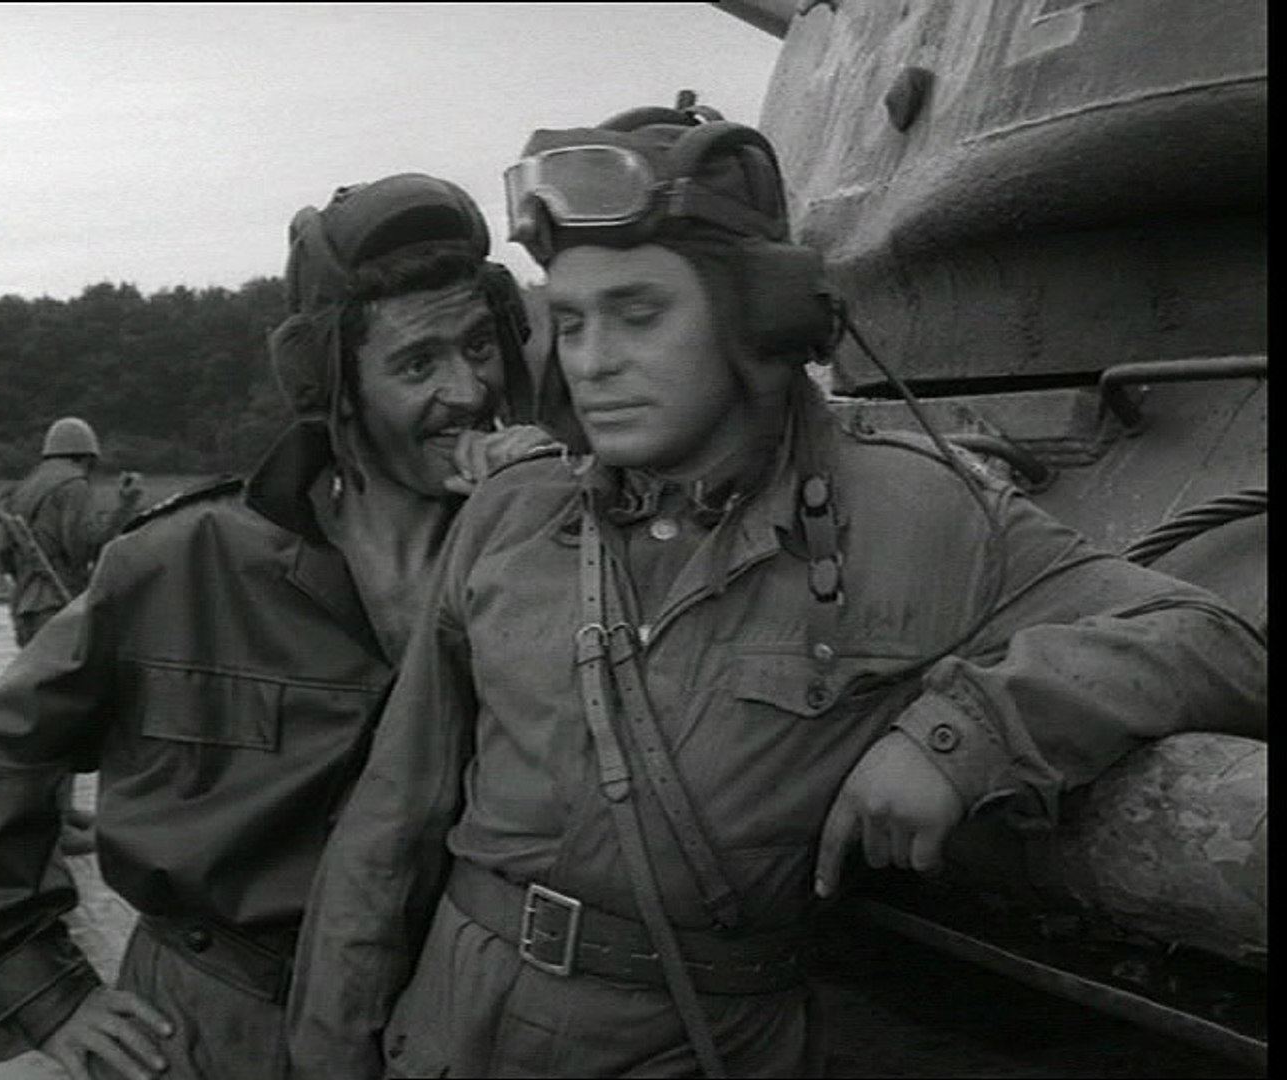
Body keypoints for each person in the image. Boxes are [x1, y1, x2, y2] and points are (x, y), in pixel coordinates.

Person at [284, 105, 1268, 1079]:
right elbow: (388, 831)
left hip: (684, 1041)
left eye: (639, 314)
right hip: (449, 1030)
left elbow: (1212, 635)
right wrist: (326, 1055)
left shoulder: (917, 516)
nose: (592, 360)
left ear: (757, 318)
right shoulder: (513, 513)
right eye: (572, 321)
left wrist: (962, 736)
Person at [0, 172, 555, 1080]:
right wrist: (38, 987)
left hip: (451, 1017)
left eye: (478, 346)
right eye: (417, 364)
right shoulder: (183, 563)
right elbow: (9, 744)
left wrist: (545, 516)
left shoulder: (539, 557)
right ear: (336, 386)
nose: (468, 391)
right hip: (210, 1021)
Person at [0, 415, 145, 647]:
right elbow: (84, 547)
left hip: (23, 608)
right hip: (58, 603)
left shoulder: (20, 490)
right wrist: (125, 505)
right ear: (87, 457)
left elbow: (3, 560)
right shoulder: (74, 486)